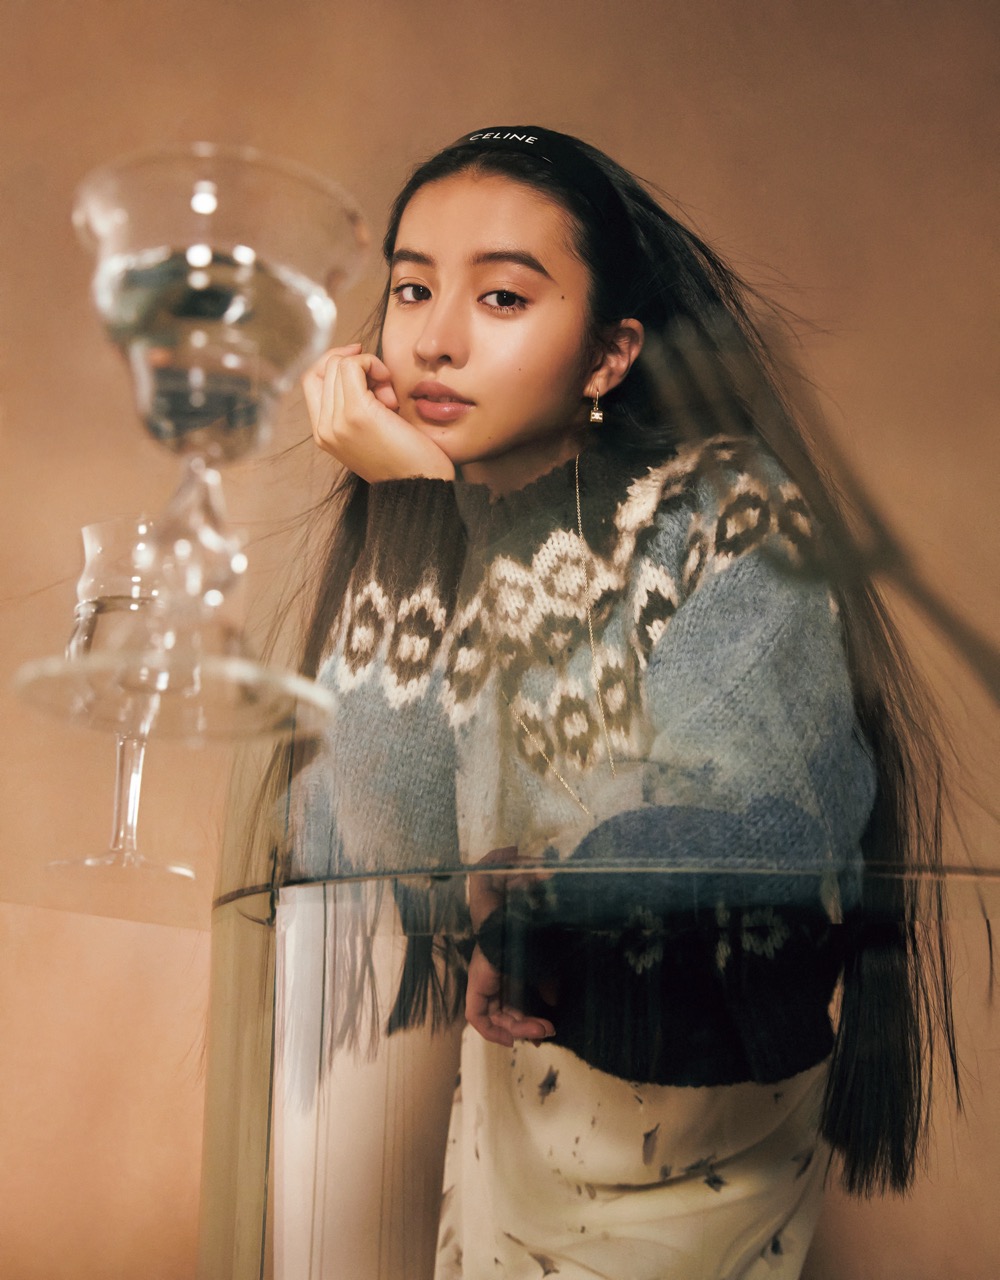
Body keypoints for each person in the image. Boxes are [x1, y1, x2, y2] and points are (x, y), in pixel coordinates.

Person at [271, 126, 956, 1279]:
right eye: (411, 289)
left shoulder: (724, 507)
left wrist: (534, 899)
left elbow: (728, 821)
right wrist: (409, 510)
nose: (434, 339)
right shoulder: (445, 523)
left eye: (500, 296)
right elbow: (391, 834)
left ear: (607, 354)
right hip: (518, 1100)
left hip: (690, 1106)